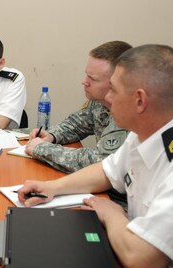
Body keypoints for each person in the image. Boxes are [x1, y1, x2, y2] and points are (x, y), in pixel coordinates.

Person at [17, 45, 173, 268]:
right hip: (127, 243)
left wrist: (112, 215)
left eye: (113, 89)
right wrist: (52, 188)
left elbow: (140, 261)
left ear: (139, 101)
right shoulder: (148, 129)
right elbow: (107, 170)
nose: (107, 97)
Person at [26, 41, 132, 174]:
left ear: (116, 82)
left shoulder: (128, 114)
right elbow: (76, 125)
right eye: (86, 74)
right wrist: (52, 135)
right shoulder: (99, 101)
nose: (84, 81)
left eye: (92, 78)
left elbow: (101, 162)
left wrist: (43, 149)